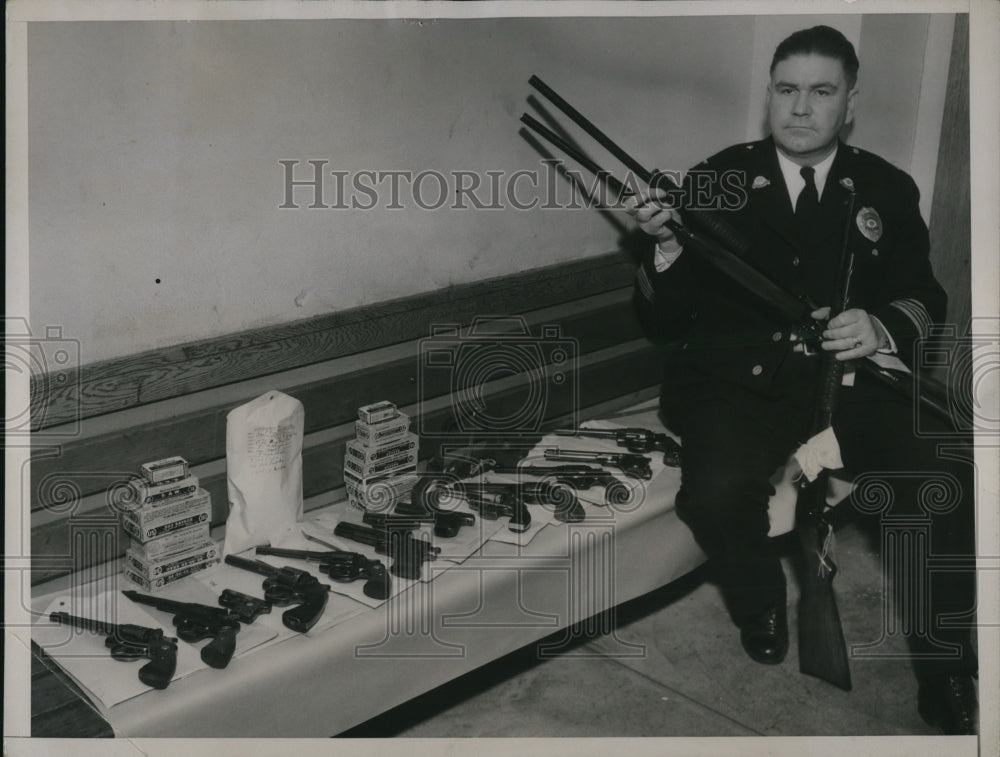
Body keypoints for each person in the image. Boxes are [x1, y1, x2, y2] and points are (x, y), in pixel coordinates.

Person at [627, 25, 978, 734]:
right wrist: (664, 243)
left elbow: (922, 295)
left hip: (846, 382)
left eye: (821, 91)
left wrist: (878, 327)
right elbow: (670, 320)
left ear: (849, 103)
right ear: (769, 96)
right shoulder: (717, 178)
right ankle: (757, 602)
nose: (799, 107)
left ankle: (947, 667)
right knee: (718, 493)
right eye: (786, 89)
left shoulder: (883, 185)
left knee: (944, 472)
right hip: (738, 382)